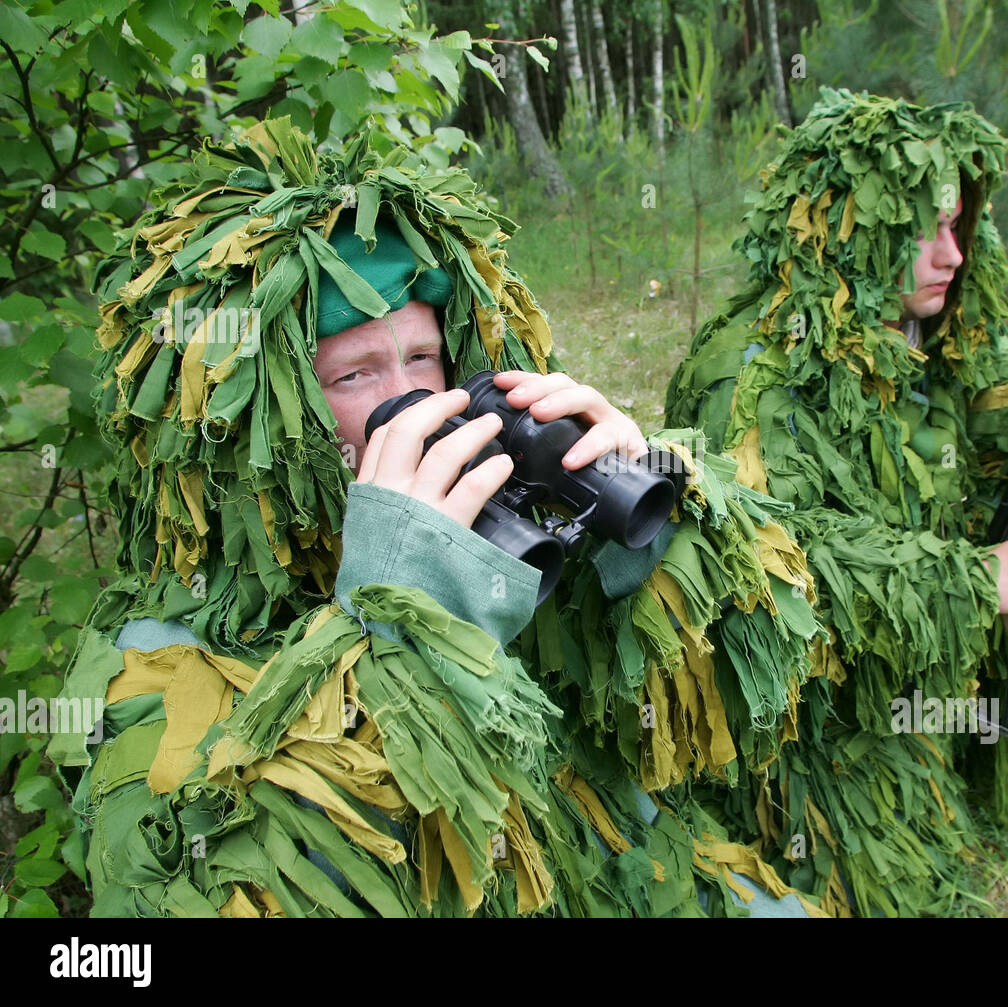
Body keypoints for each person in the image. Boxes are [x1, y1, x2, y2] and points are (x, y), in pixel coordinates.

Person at [49, 117, 826, 917]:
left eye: (422, 357)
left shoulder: (492, 525)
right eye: (353, 372)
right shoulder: (152, 662)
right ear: (256, 420)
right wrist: (399, 618)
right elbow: (245, 890)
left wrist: (641, 506)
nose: (411, 401)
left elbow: (709, 706)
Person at [665, 88, 1008, 916]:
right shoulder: (752, 374)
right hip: (822, 698)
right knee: (887, 861)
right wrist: (973, 581)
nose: (950, 255)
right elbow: (760, 574)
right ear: (850, 226)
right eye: (921, 229)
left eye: (960, 225)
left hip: (932, 642)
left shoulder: (937, 331)